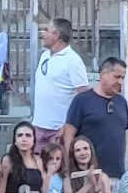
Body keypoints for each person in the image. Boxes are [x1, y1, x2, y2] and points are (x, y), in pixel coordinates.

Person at [60, 57, 128, 192]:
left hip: (117, 175)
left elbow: (123, 136)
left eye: (122, 78)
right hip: (87, 176)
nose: (120, 82)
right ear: (103, 74)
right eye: (117, 77)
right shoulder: (82, 100)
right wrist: (70, 167)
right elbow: (68, 134)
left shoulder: (122, 102)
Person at [31, 17, 90, 155]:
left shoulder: (73, 60)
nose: (43, 34)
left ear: (56, 35)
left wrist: (67, 125)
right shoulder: (44, 56)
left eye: (47, 30)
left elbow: (83, 95)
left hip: (58, 129)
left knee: (59, 170)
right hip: (38, 126)